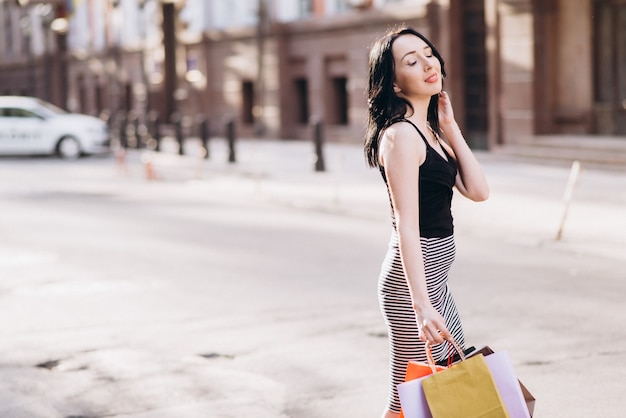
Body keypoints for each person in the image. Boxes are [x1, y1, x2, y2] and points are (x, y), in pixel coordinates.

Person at [364, 27, 490, 418]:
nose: (427, 64)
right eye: (411, 61)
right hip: (410, 289)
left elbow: (478, 190)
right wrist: (421, 307)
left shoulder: (430, 131)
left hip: (434, 282)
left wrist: (450, 127)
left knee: (450, 378)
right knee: (408, 398)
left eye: (427, 53)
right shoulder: (401, 137)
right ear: (395, 84)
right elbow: (407, 225)